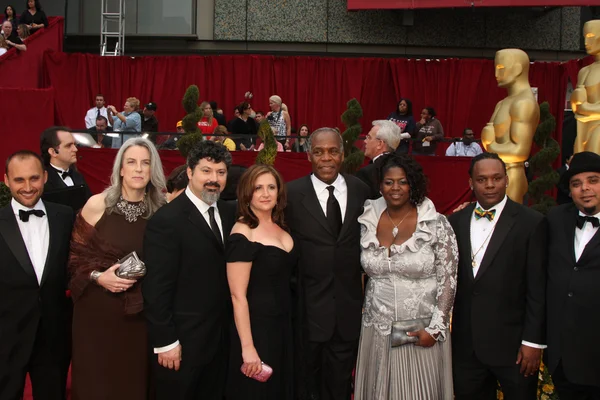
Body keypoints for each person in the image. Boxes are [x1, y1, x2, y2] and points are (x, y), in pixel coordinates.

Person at [68, 137, 166, 400]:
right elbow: (74, 259)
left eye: (145, 163)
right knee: (96, 385)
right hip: (96, 314)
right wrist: (100, 277)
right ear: (120, 168)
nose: (138, 169)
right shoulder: (97, 205)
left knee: (133, 383)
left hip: (140, 317)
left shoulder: (162, 211)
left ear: (152, 169)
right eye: (131, 162)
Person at [354, 154, 458, 399]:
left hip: (419, 331)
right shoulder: (367, 221)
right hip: (376, 329)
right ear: (380, 185)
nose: (395, 188)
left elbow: (449, 280)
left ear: (413, 184)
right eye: (389, 182)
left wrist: (435, 329)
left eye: (403, 182)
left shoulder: (435, 224)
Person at [448, 152, 547, 399]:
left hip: (514, 347)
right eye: (482, 179)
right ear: (470, 183)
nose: (490, 185)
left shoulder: (531, 222)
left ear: (507, 180)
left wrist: (533, 342)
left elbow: (538, 287)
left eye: (496, 178)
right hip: (466, 347)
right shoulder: (454, 222)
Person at [143, 140, 237, 400]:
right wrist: (166, 342)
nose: (213, 179)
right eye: (206, 171)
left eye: (220, 172)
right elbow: (156, 288)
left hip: (221, 342)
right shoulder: (166, 221)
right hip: (181, 345)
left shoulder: (231, 213)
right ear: (190, 172)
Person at [285, 128, 370, 400]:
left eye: (333, 151)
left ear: (342, 155)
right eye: (319, 152)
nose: (326, 158)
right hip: (306, 312)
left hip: (347, 311)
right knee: (306, 385)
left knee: (340, 386)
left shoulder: (360, 190)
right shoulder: (291, 194)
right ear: (309, 155)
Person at [0, 150, 74, 400]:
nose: (28, 187)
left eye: (34, 178)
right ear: (6, 180)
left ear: (44, 177)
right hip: (6, 337)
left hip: (54, 336)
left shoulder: (65, 216)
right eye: (19, 180)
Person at [226, 164, 296, 399]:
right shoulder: (243, 232)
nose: (265, 194)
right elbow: (238, 296)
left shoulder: (281, 226)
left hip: (284, 325)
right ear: (247, 193)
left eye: (271, 187)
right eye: (258, 188)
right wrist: (248, 348)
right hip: (257, 329)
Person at [546, 151, 600, 399]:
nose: (585, 189)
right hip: (563, 360)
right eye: (576, 184)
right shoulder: (555, 219)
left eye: (593, 180)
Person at [40, 126, 92, 211]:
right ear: (53, 152)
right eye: (68, 146)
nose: (75, 149)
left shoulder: (78, 176)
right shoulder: (42, 180)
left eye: (74, 145)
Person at [356, 120, 401, 200]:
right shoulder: (406, 167)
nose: (365, 141)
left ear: (380, 144)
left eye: (369, 137)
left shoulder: (367, 173)